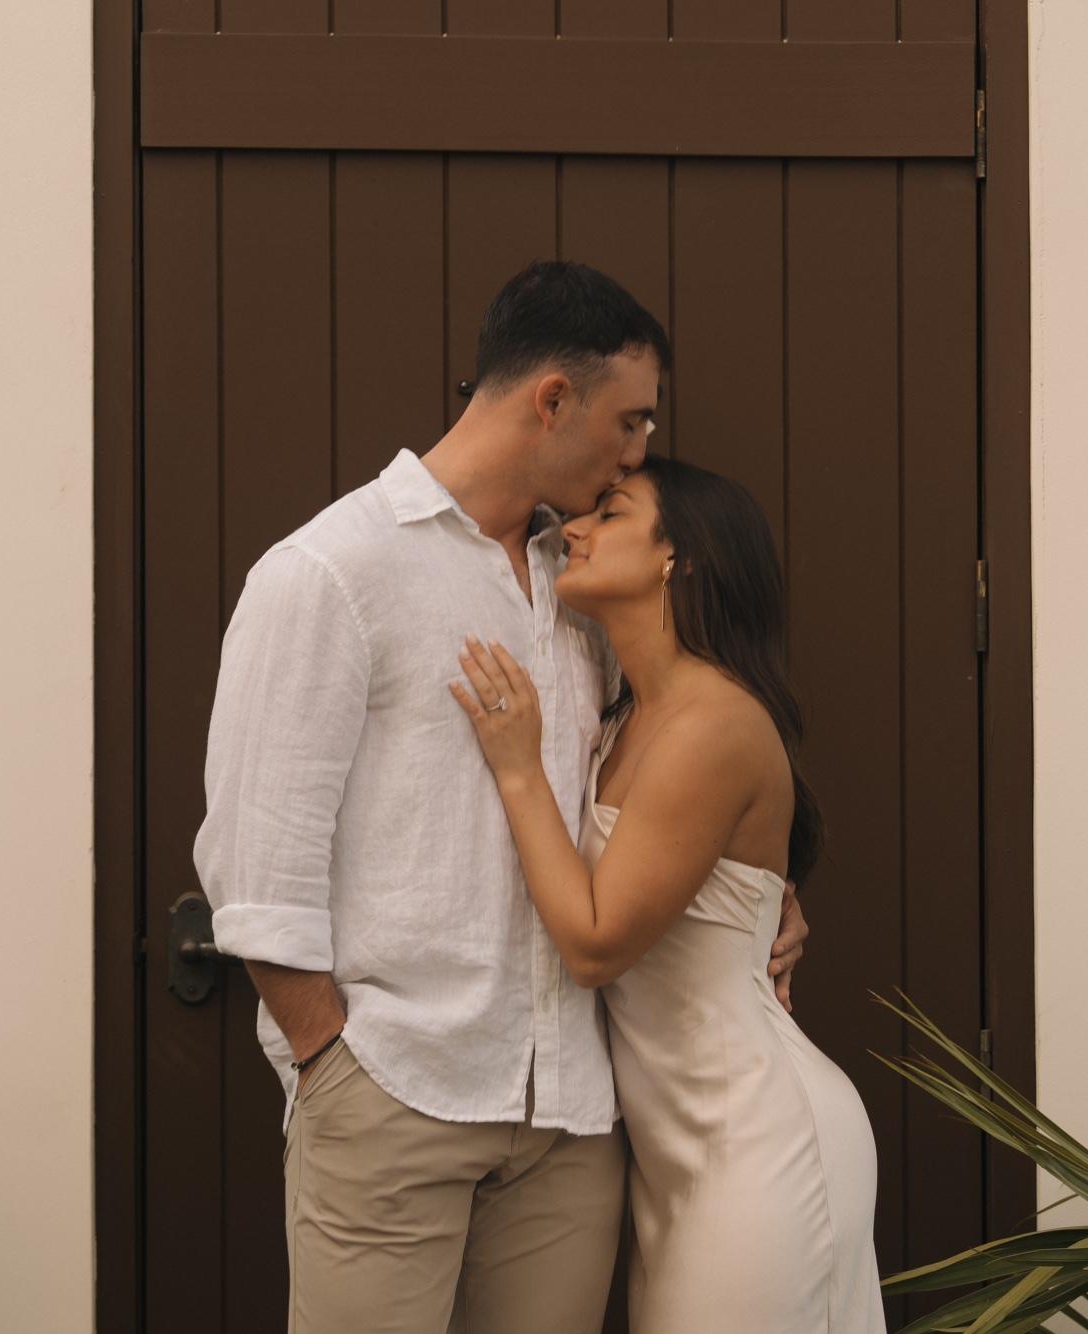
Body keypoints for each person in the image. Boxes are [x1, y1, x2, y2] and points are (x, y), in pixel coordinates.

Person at [193, 261, 809, 1334]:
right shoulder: (329, 573)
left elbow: (667, 771)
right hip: (397, 1090)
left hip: (572, 1118)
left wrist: (764, 898)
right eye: (629, 421)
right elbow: (256, 865)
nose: (637, 452)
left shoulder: (580, 584)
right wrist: (331, 1061)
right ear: (553, 400)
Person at [451, 455, 885, 1331]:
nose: (572, 529)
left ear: (677, 558)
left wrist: (519, 769)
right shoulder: (624, 713)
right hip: (674, 1152)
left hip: (758, 1136)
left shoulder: (715, 722)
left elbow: (595, 943)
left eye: (610, 513)